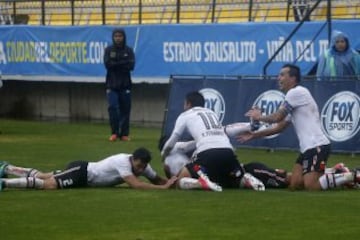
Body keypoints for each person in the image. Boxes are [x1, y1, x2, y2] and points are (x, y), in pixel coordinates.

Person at [238, 63, 360, 191]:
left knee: (311, 186)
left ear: (293, 78)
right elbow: (279, 127)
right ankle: (336, 171)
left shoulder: (296, 92)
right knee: (295, 184)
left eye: (282, 75)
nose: (278, 78)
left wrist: (259, 117)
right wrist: (254, 135)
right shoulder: (294, 97)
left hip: (316, 145)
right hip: (307, 148)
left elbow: (277, 117)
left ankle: (352, 176)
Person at [160, 91, 265, 192]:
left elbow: (174, 138)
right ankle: (244, 179)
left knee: (180, 181)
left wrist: (164, 153)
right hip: (228, 153)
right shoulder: (211, 113)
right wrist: (249, 126)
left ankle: (201, 183)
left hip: (207, 153)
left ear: (188, 104)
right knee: (225, 181)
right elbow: (226, 129)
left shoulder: (185, 115)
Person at [0, 147, 177, 191]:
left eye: (143, 167)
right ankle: (5, 182)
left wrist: (172, 182)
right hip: (82, 171)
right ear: (133, 158)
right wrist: (162, 188)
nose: (141, 170)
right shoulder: (122, 162)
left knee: (43, 176)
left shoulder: (142, 166)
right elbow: (136, 185)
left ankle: (8, 168)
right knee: (49, 185)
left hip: (84, 175)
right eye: (139, 166)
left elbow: (156, 179)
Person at [103, 28, 135, 142]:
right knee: (113, 108)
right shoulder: (108, 50)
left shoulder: (129, 50)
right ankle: (114, 133)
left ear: (124, 37)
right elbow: (108, 65)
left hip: (125, 85)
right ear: (113, 37)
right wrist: (123, 62)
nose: (118, 38)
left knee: (125, 109)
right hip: (111, 85)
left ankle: (124, 134)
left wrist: (116, 63)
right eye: (116, 36)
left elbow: (131, 66)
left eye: (120, 36)